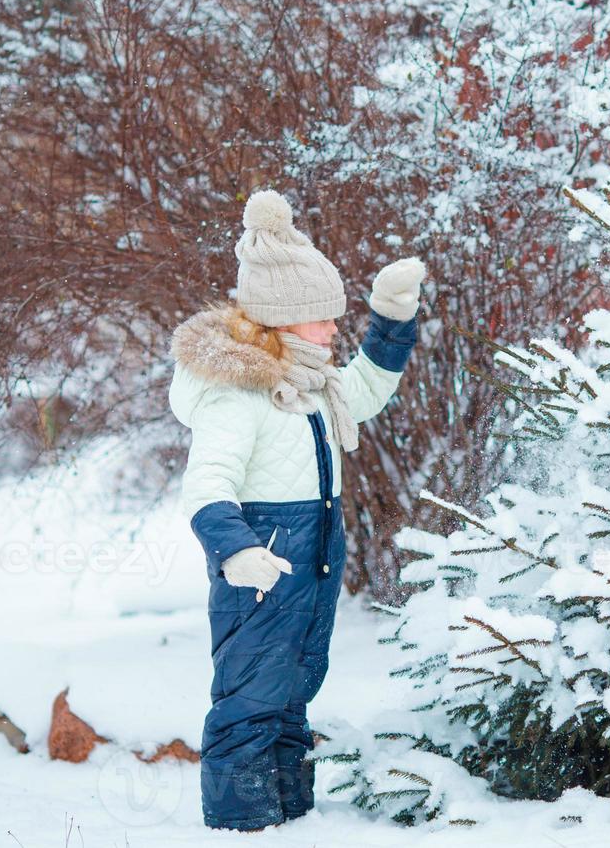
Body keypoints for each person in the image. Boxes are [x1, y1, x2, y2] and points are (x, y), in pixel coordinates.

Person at [167, 188, 424, 830]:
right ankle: (241, 827)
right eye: (324, 317)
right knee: (248, 703)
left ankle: (289, 820)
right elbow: (208, 483)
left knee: (289, 700)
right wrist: (236, 550)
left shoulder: (312, 383)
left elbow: (363, 390)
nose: (335, 329)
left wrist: (390, 320)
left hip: (308, 568)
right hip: (259, 570)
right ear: (285, 319)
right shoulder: (240, 395)